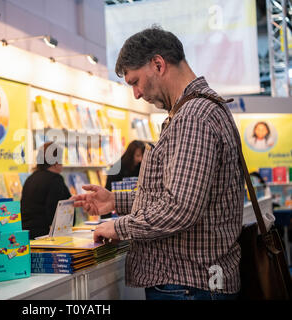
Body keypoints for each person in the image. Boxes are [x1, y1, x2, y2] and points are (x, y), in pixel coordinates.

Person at [72, 26, 244, 300]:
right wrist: (116, 202)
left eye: (135, 81)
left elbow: (180, 208)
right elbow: (181, 194)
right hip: (195, 283)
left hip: (189, 284)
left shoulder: (193, 117)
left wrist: (118, 226)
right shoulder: (197, 110)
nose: (137, 94)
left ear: (158, 64)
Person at [21, 142, 71, 239]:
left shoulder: (31, 178)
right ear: (56, 162)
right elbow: (55, 214)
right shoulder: (55, 180)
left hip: (26, 235)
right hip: (44, 236)